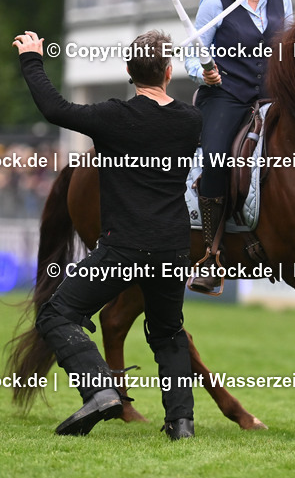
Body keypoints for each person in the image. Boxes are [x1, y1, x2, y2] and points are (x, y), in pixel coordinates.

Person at [13, 29, 200, 440]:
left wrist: (32, 59)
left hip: (124, 248)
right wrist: (215, 82)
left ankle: (100, 391)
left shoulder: (113, 117)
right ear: (169, 72)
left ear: (129, 72)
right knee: (168, 332)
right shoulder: (191, 121)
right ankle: (181, 424)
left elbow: (54, 108)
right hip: (173, 249)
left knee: (55, 314)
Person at [183, 0, 293, 294]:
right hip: (225, 95)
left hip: (270, 95)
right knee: (216, 159)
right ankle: (210, 255)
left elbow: (287, 48)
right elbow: (191, 55)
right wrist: (204, 73)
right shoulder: (214, 2)